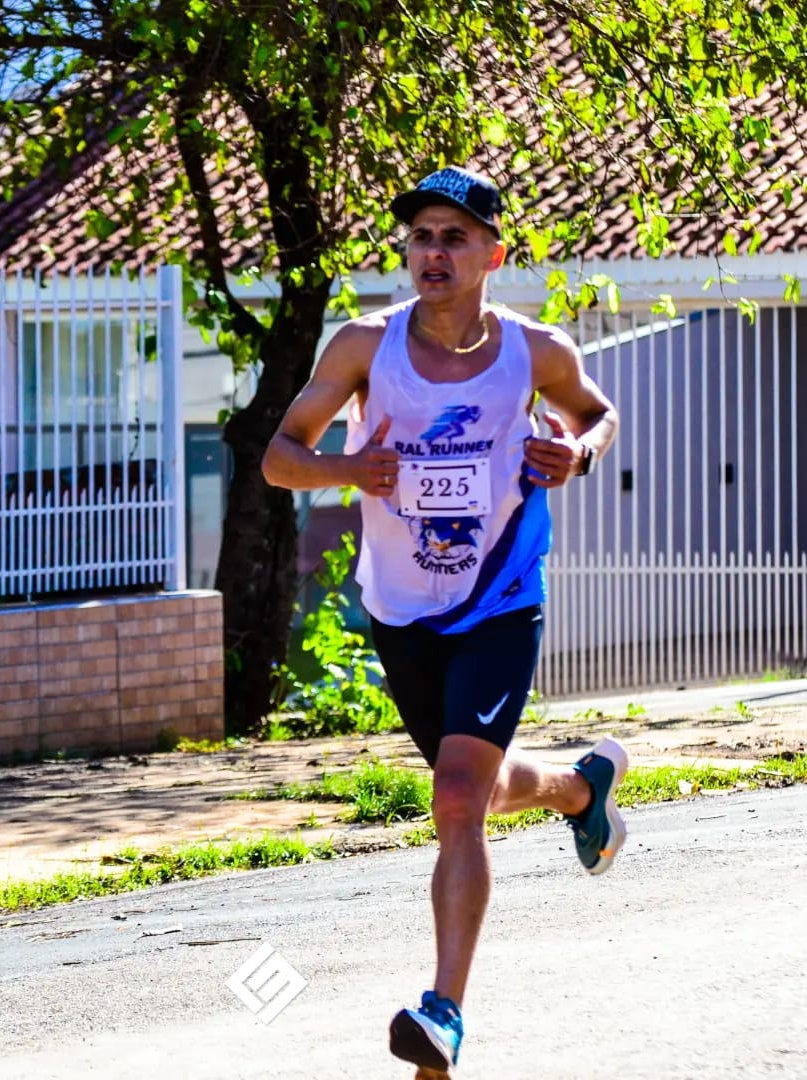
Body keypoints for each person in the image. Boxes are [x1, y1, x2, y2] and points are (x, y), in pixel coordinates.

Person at [261, 165, 628, 1078]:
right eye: (423, 236)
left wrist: (575, 452)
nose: (434, 251)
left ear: (492, 256)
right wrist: (353, 473)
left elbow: (599, 415)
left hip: (501, 596)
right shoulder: (361, 346)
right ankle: (581, 792)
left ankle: (443, 1018)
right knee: (478, 791)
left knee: (457, 797)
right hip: (401, 609)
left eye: (455, 237)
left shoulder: (535, 351)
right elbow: (278, 458)